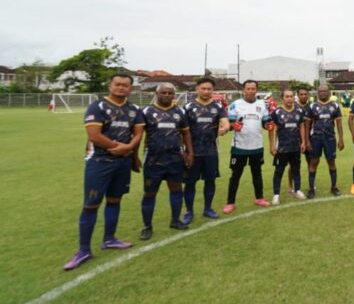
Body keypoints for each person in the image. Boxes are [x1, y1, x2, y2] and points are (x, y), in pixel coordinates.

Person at [63, 74, 145, 271]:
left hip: (122, 163)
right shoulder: (97, 106)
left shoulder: (134, 110)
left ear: (130, 89)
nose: (121, 88)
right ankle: (84, 250)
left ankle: (109, 239)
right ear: (110, 86)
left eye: (125, 85)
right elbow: (94, 135)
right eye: (118, 84)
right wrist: (119, 147)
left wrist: (129, 150)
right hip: (99, 162)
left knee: (114, 200)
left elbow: (138, 134)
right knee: (91, 205)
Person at [138, 83, 194, 240]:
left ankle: (175, 220)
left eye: (170, 93)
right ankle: (147, 226)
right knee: (150, 193)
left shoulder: (180, 112)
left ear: (174, 95)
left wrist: (190, 152)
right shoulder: (146, 111)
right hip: (153, 160)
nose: (167, 95)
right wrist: (134, 155)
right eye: (164, 92)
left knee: (176, 189)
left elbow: (186, 134)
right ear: (156, 93)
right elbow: (137, 134)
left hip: (175, 159)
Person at [182, 77, 230, 224]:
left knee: (210, 181)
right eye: (203, 88)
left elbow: (225, 123)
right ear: (197, 89)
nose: (206, 91)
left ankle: (208, 208)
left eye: (209, 89)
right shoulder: (188, 107)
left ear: (213, 90)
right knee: (190, 182)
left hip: (210, 152)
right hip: (192, 152)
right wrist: (184, 151)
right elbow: (182, 129)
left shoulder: (217, 107)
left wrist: (224, 128)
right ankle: (189, 211)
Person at [223, 80, 272, 214]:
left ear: (256, 90)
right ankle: (230, 203)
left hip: (257, 146)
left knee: (257, 173)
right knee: (236, 175)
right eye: (248, 89)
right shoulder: (235, 105)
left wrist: (268, 125)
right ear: (244, 90)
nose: (251, 91)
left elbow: (265, 122)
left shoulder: (262, 104)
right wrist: (234, 126)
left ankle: (259, 198)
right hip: (239, 147)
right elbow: (230, 124)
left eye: (253, 89)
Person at [268, 89, 308, 205]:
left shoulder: (299, 111)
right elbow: (272, 129)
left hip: (295, 146)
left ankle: (297, 190)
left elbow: (301, 126)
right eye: (287, 96)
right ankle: (276, 195)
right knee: (279, 171)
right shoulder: (276, 112)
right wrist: (272, 145)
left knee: (296, 169)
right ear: (282, 98)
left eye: (291, 96)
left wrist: (303, 142)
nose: (289, 98)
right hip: (281, 147)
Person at [306, 84, 345, 198]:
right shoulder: (312, 106)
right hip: (316, 138)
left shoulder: (335, 105)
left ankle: (334, 187)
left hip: (330, 138)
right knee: (313, 162)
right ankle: (311, 189)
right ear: (318, 93)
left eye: (325, 91)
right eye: (321, 91)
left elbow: (339, 124)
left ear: (329, 92)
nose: (323, 93)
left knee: (331, 162)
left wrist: (341, 139)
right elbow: (307, 124)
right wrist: (307, 140)